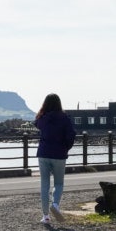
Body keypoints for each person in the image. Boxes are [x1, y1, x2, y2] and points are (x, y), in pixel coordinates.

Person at [35, 93, 76, 224]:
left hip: (43, 153)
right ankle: (56, 205)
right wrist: (65, 148)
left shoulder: (43, 118)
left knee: (44, 184)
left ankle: (45, 216)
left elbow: (37, 123)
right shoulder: (65, 118)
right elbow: (71, 135)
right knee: (58, 183)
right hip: (59, 154)